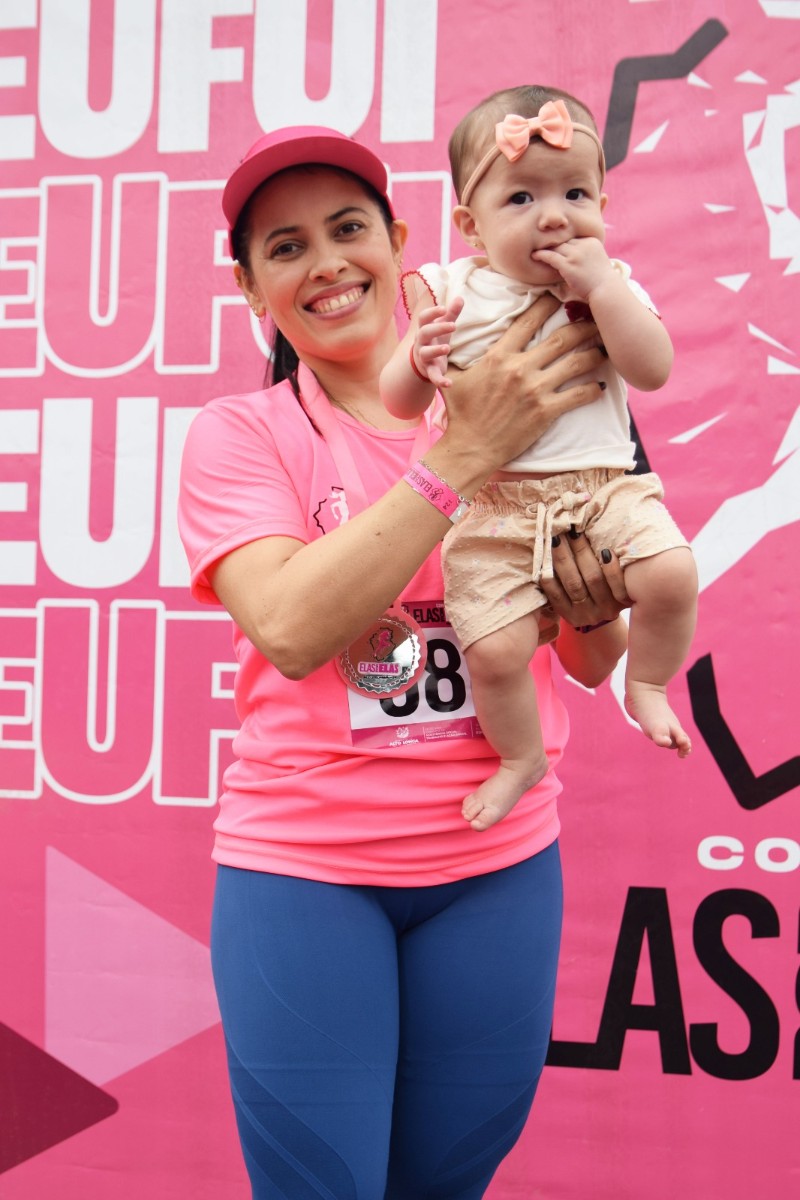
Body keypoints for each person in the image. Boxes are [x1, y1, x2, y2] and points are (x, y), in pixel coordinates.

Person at [178, 122, 629, 1200]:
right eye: (285, 248)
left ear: (403, 241)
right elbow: (291, 629)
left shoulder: (521, 393)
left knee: (445, 1184)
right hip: (305, 875)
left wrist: (592, 596)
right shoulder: (241, 434)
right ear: (251, 288)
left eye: (348, 229)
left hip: (497, 867)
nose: (326, 264)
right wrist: (461, 455)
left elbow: (590, 654)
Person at [381, 84, 698, 833]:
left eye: (575, 194)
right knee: (494, 650)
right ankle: (520, 757)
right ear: (472, 226)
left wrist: (603, 292)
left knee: (672, 573)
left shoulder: (613, 287)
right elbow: (399, 401)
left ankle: (648, 684)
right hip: (495, 508)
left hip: (602, 494)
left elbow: (653, 369)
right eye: (521, 198)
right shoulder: (449, 290)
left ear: (604, 208)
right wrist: (419, 357)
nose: (554, 216)